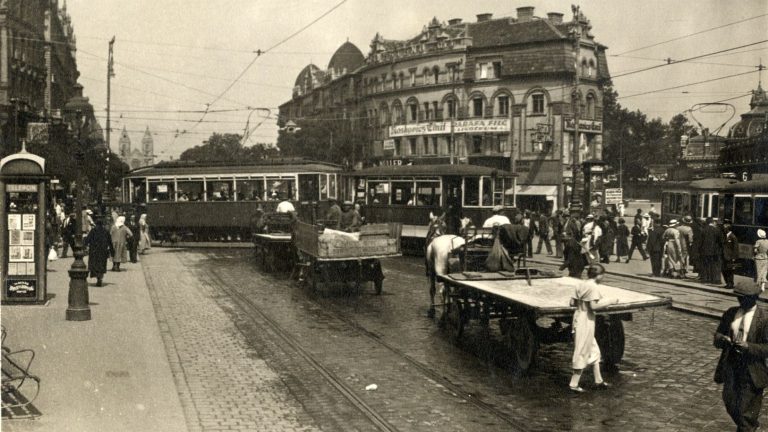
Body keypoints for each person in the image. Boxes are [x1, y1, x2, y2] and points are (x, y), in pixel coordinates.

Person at [713, 282, 768, 431]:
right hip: (731, 366)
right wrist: (722, 339)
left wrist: (749, 347)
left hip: (752, 370)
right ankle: (749, 427)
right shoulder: (731, 313)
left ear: (754, 298)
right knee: (730, 402)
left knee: (745, 412)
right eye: (738, 297)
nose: (740, 301)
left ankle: (747, 428)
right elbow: (718, 335)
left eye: (743, 298)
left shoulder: (764, 318)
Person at [568, 264, 619, 393]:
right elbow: (594, 307)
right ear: (599, 275)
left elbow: (572, 303)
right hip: (586, 320)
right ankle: (573, 384)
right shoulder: (593, 287)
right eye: (603, 275)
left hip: (578, 317)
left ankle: (598, 380)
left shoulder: (580, 284)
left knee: (594, 350)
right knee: (582, 350)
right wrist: (611, 301)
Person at [85, 216, 113, 287]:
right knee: (101, 265)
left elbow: (87, 239)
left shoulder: (93, 230)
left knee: (94, 265)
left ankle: (98, 278)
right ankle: (100, 278)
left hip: (94, 251)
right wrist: (112, 251)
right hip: (103, 251)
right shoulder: (106, 231)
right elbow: (110, 242)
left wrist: (84, 246)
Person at [560, 210, 585, 278]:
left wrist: (562, 266)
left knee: (570, 256)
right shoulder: (566, 222)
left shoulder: (572, 223)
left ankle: (572, 272)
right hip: (568, 242)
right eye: (564, 217)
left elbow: (576, 232)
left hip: (571, 242)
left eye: (566, 217)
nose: (565, 218)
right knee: (567, 253)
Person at [700, 217, 724, 285]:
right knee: (715, 265)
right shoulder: (717, 230)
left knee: (706, 265)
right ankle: (716, 280)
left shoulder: (703, 230)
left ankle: (706, 279)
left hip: (705, 251)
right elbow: (721, 241)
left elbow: (700, 242)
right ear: (713, 222)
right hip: (715, 251)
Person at [723, 220, 740, 290]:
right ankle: (727, 283)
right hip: (724, 256)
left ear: (728, 229)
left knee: (730, 271)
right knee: (724, 270)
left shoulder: (733, 237)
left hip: (730, 257)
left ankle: (730, 284)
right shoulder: (724, 236)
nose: (724, 229)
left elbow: (735, 248)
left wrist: (734, 257)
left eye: (725, 228)